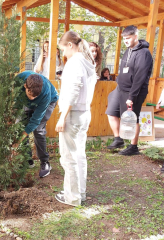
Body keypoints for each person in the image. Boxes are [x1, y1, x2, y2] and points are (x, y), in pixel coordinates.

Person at [54, 31, 97, 206]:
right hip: (84, 113)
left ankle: (72, 197)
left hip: (72, 115)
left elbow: (74, 90)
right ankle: (80, 192)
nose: (63, 54)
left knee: (68, 157)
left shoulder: (74, 62)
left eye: (63, 49)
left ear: (70, 45)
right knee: (79, 155)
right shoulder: (87, 63)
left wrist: (62, 116)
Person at [106, 25, 153, 155]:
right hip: (121, 89)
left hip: (134, 91)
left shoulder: (144, 53)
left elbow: (140, 77)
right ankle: (118, 139)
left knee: (132, 119)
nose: (126, 41)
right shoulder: (128, 50)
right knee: (111, 112)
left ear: (135, 36)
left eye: (128, 38)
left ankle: (133, 147)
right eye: (124, 39)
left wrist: (131, 96)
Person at [13, 71, 59, 177]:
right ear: (25, 86)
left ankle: (45, 162)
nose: (32, 98)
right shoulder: (19, 80)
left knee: (38, 130)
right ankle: (28, 159)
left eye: (35, 96)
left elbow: (35, 121)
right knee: (20, 125)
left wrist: (19, 140)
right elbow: (14, 97)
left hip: (49, 101)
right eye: (30, 94)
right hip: (26, 101)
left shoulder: (45, 94)